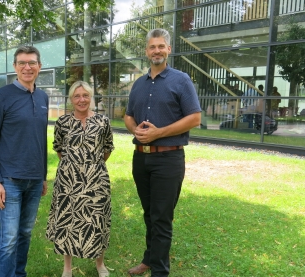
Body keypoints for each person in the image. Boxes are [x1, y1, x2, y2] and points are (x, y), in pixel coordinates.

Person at [124, 28, 201, 277]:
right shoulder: (138, 84)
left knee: (161, 217)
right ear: (147, 51)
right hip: (141, 158)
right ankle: (149, 258)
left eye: (161, 46)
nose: (156, 51)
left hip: (168, 158)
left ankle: (160, 271)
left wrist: (159, 133)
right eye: (152, 47)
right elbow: (128, 116)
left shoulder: (181, 80)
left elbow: (195, 118)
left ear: (168, 49)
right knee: (149, 213)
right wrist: (135, 129)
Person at [0, 45, 49, 277]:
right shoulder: (1, 96)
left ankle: (19, 274)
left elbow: (41, 138)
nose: (27, 67)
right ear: (15, 67)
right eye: (22, 63)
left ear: (39, 66)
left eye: (32, 62)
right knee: (9, 238)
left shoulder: (43, 97)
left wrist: (43, 176)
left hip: (33, 180)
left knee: (25, 233)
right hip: (9, 180)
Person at [46, 81, 114, 277]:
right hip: (68, 180)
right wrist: (74, 166)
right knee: (68, 219)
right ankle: (67, 268)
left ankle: (99, 264)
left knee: (97, 220)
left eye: (85, 95)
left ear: (91, 97)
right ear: (71, 99)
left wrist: (90, 165)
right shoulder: (62, 123)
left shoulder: (103, 121)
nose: (81, 99)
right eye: (77, 96)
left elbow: (107, 149)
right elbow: (59, 149)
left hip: (96, 179)